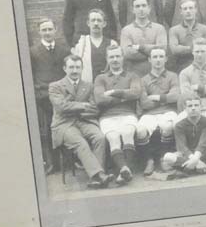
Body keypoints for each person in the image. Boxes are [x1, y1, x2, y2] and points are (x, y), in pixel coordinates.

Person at [48, 54, 113, 189]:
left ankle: (96, 179)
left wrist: (75, 107)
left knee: (100, 137)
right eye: (71, 67)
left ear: (82, 68)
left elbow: (94, 109)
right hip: (64, 124)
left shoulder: (88, 86)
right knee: (80, 142)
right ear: (64, 68)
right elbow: (61, 107)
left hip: (84, 121)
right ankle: (99, 175)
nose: (74, 70)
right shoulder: (55, 86)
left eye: (78, 67)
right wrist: (83, 105)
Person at [93, 44, 147, 184]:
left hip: (128, 114)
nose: (115, 59)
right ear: (107, 59)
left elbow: (136, 93)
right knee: (113, 137)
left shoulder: (132, 76)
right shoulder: (100, 78)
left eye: (118, 56)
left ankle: (124, 170)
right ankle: (125, 168)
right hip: (107, 117)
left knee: (127, 132)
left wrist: (112, 93)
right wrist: (124, 96)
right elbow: (99, 99)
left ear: (123, 58)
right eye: (112, 57)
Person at [28, 18, 70, 174]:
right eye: (44, 30)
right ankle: (52, 163)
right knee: (48, 130)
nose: (47, 33)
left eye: (50, 29)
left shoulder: (64, 50)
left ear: (55, 30)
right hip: (43, 96)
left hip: (61, 95)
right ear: (39, 32)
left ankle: (68, 160)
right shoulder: (33, 52)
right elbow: (30, 74)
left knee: (65, 126)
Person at [137, 46, 180, 176]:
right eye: (155, 57)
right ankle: (149, 160)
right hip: (149, 114)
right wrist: (166, 97)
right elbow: (144, 103)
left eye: (161, 56)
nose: (158, 60)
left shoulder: (172, 76)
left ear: (166, 59)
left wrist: (156, 97)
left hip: (168, 111)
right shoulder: (143, 80)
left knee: (167, 125)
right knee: (140, 130)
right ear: (149, 60)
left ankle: (163, 158)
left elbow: (176, 96)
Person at [161, 93, 206, 176]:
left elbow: (203, 143)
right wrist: (196, 161)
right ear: (185, 108)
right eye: (190, 106)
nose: (193, 108)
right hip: (187, 156)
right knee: (167, 157)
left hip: (204, 153)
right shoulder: (179, 125)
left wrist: (195, 159)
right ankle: (204, 168)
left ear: (201, 107)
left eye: (196, 105)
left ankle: (190, 169)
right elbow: (182, 147)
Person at [119, 0, 168, 78]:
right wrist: (152, 51)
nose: (141, 9)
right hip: (134, 74)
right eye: (137, 6)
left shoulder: (159, 28)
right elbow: (127, 53)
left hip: (157, 74)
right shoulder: (126, 30)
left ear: (149, 9)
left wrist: (138, 47)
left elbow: (162, 49)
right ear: (132, 10)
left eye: (143, 5)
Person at [167, 0, 206, 71]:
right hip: (182, 67)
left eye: (191, 8)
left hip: (202, 67)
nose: (188, 11)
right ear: (181, 12)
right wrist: (195, 47)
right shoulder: (174, 30)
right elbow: (174, 50)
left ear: (195, 10)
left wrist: (183, 48)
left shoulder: (205, 29)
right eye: (185, 9)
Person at [70, 9, 113, 83]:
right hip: (88, 85)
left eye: (99, 20)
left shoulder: (112, 44)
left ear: (104, 24)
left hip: (108, 84)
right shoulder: (82, 44)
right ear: (88, 23)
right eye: (93, 20)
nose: (96, 23)